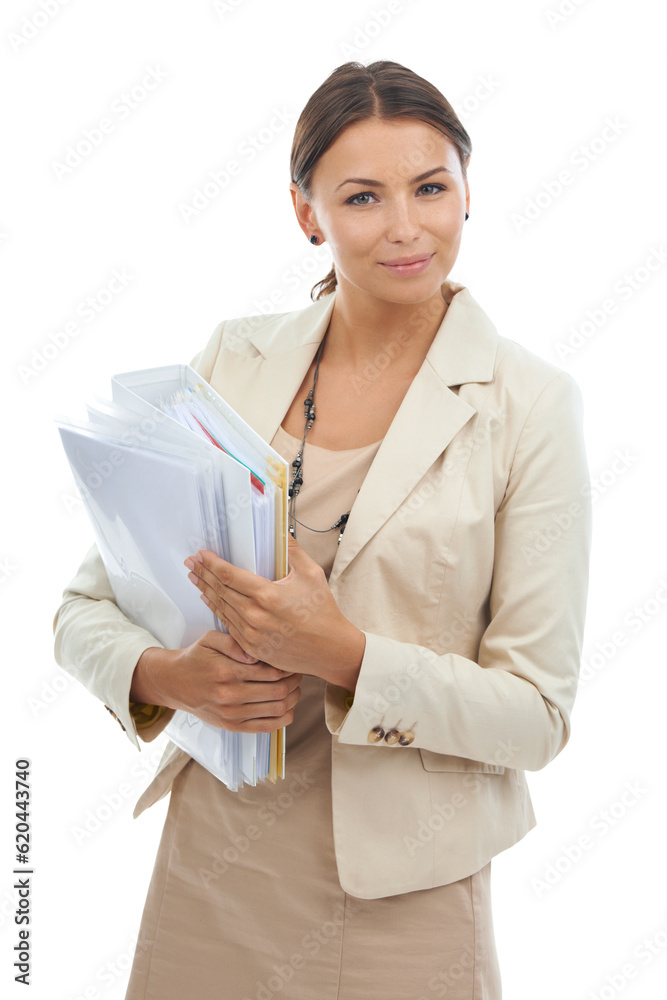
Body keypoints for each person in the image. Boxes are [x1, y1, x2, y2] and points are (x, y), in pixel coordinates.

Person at [53, 59, 592, 1000]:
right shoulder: (237, 358)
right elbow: (83, 606)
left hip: (403, 891)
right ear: (307, 214)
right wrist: (164, 677)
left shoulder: (531, 404)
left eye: (431, 188)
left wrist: (342, 653)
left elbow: (537, 717)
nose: (405, 227)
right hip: (213, 865)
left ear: (468, 191)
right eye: (361, 196)